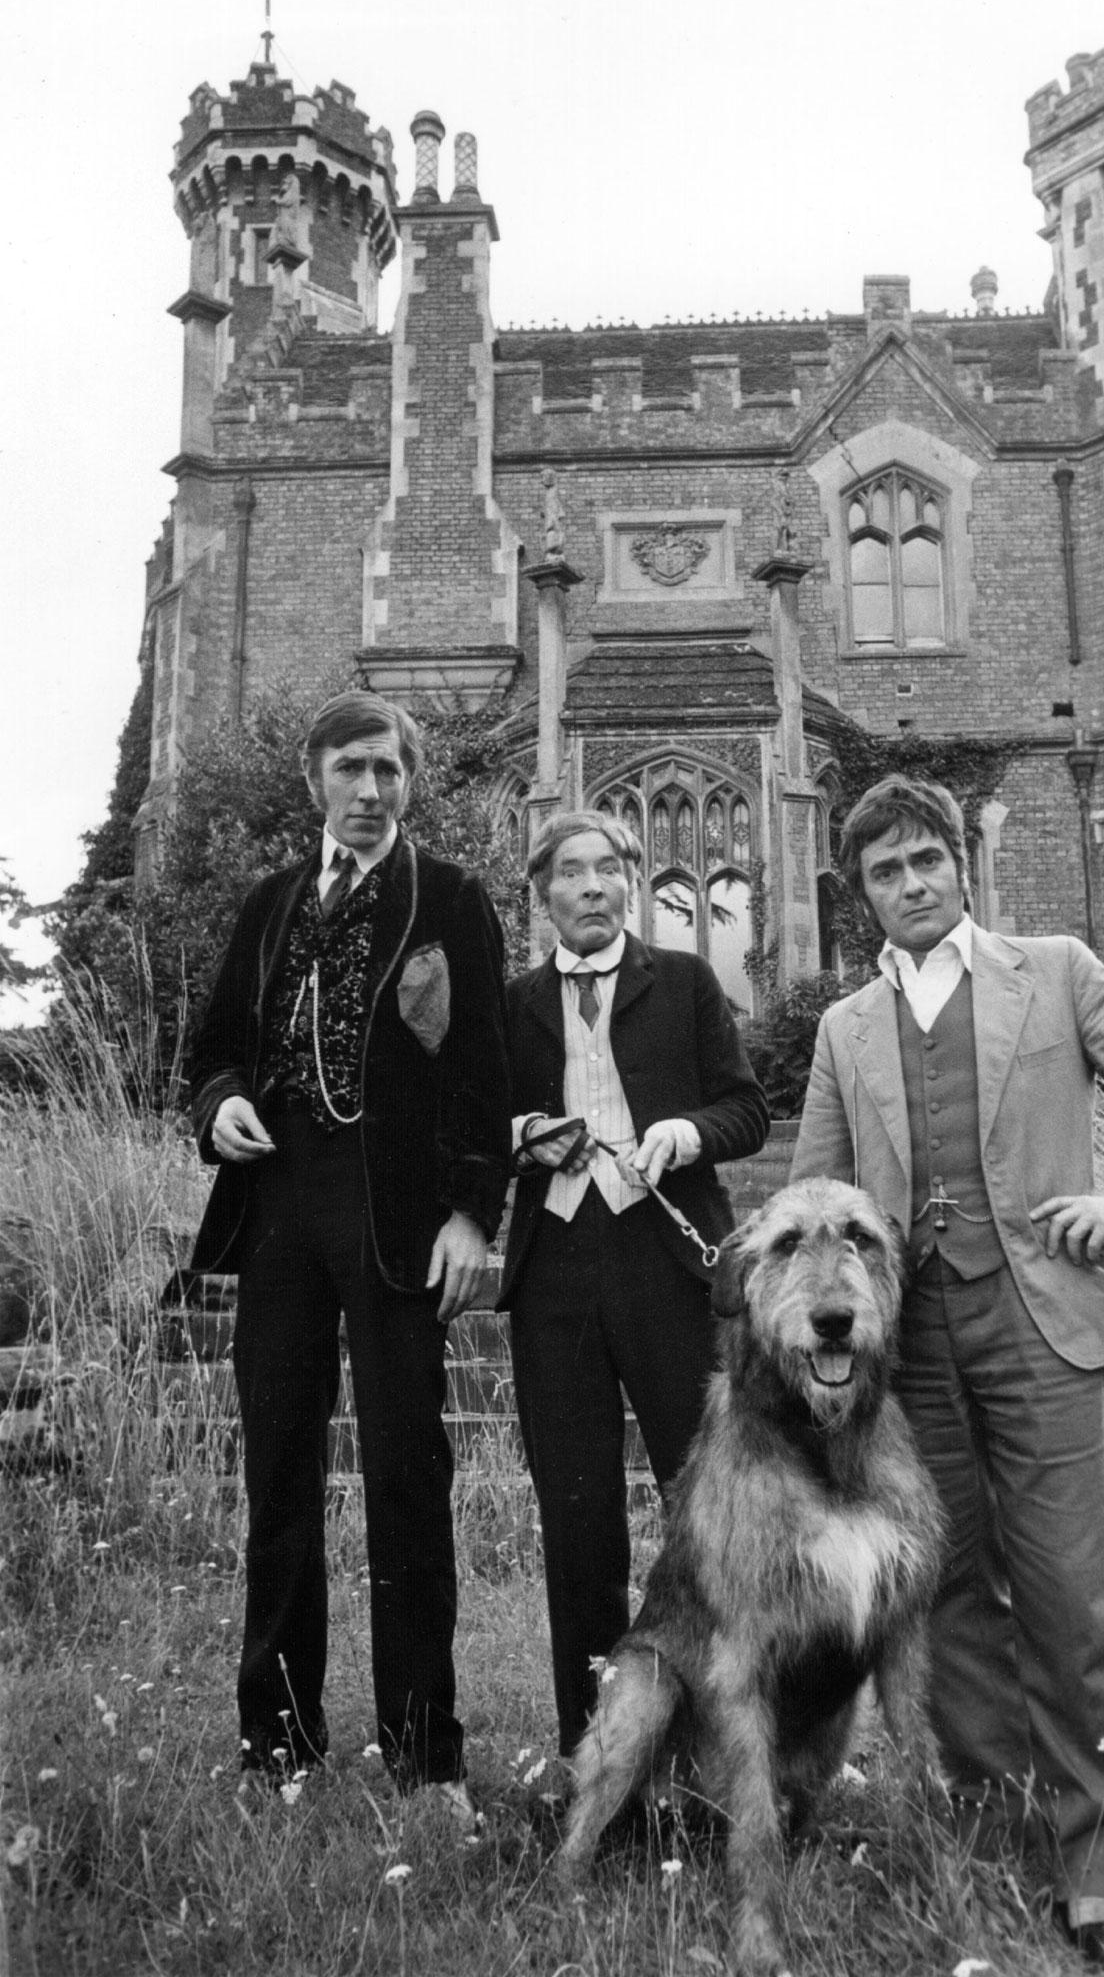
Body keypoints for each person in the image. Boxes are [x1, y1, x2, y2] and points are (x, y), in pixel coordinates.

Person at [790, 774, 1104, 1970]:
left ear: (958, 863)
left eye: (925, 858)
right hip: (910, 1347)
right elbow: (821, 1204)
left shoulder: (1058, 969)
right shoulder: (845, 1028)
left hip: (1041, 1323)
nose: (911, 883)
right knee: (944, 1596)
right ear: (862, 892)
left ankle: (1102, 1861)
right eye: (885, 871)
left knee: (1066, 1597)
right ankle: (998, 1828)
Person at [188, 691, 511, 1823]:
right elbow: (215, 1048)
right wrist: (220, 1101)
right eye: (350, 771)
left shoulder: (452, 899)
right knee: (277, 1474)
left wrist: (475, 1213)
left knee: (408, 1478)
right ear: (314, 777)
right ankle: (276, 1745)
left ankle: (426, 1757)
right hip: (277, 1213)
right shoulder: (271, 905)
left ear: (409, 780)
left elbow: (485, 1069)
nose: (370, 792)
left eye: (388, 771)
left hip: (397, 1224)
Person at [501, 810, 769, 1758]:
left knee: (705, 1510)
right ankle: (595, 1747)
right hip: (555, 1278)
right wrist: (522, 1137)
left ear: (628, 882)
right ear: (544, 896)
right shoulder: (514, 1002)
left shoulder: (687, 981)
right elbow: (474, 1124)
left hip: (668, 1268)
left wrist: (684, 1134)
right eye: (570, 873)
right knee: (576, 1517)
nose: (591, 887)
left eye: (608, 869)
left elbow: (746, 1111)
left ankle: (735, 1734)